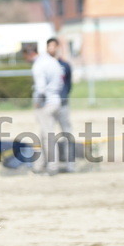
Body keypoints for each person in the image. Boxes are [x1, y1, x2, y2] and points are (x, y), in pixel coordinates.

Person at [26, 39, 66, 174]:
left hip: (46, 104)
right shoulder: (53, 61)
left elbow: (41, 89)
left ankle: (52, 167)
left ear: (29, 53)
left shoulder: (38, 65)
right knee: (44, 135)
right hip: (56, 101)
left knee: (48, 137)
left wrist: (37, 103)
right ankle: (39, 166)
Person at [52, 38, 76, 172]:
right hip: (49, 104)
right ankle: (51, 165)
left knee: (67, 133)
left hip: (62, 103)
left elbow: (69, 83)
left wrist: (63, 96)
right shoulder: (46, 65)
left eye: (54, 46)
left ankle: (70, 164)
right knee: (48, 135)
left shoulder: (65, 65)